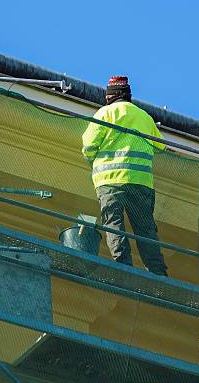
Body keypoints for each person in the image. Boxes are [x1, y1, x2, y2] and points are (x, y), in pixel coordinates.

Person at [81, 76, 168, 276]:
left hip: (110, 181)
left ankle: (123, 266)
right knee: (145, 230)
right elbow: (161, 146)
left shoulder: (104, 113)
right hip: (140, 183)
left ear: (111, 96)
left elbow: (88, 147)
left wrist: (93, 158)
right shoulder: (144, 117)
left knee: (114, 224)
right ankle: (157, 272)